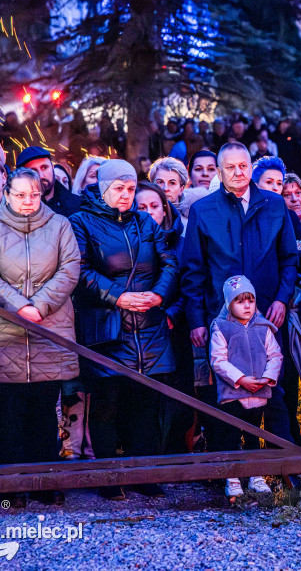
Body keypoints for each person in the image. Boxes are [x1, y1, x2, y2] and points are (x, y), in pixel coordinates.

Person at [71, 159, 179, 500]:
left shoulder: (146, 222)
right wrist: (118, 296)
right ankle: (108, 477)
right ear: (103, 188)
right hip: (109, 328)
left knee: (145, 405)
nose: (126, 196)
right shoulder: (81, 222)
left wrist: (158, 294)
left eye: (131, 189)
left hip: (148, 326)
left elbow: (170, 261)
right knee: (107, 404)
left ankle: (143, 474)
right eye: (119, 188)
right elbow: (81, 270)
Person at [181, 144, 299, 450]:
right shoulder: (203, 210)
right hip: (222, 318)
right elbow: (193, 270)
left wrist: (281, 299)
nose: (238, 172)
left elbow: (288, 259)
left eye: (243, 166)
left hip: (267, 315)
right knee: (227, 390)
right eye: (230, 167)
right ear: (219, 172)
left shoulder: (274, 205)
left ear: (251, 167)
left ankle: (281, 464)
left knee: (273, 387)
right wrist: (196, 320)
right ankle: (229, 468)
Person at [0, 168, 80, 508]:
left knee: (43, 408)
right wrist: (20, 306)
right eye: (19, 194)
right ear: (7, 194)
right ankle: (10, 485)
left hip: (49, 327)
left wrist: (41, 305)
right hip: (4, 328)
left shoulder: (60, 225)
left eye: (33, 194)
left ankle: (44, 482)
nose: (27, 201)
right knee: (7, 411)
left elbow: (70, 267)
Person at [210, 275, 283, 498]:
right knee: (230, 435)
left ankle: (255, 475)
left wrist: (266, 379)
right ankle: (232, 477)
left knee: (254, 435)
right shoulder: (221, 327)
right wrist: (241, 379)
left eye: (250, 300)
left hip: (258, 394)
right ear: (229, 304)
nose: (247, 306)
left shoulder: (263, 327)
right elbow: (218, 360)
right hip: (233, 394)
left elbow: (276, 356)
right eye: (240, 301)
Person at [16, 146, 82, 217]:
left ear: (52, 168)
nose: (41, 175)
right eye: (33, 171)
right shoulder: (14, 211)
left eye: (44, 168)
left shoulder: (78, 207)